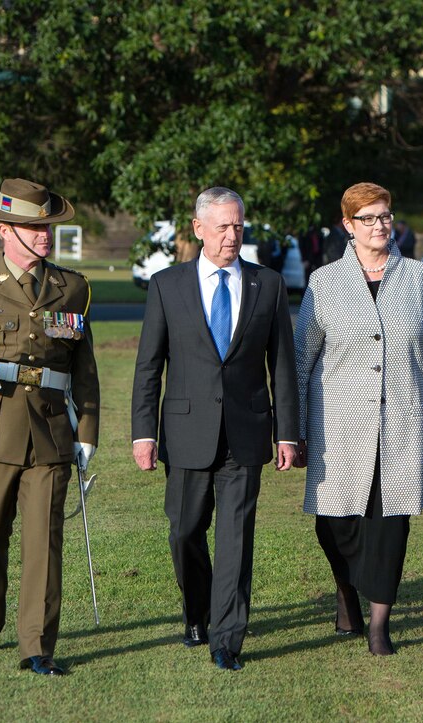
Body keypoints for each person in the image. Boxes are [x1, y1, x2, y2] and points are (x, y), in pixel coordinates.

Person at [294, 182, 423, 656]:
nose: (379, 226)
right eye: (368, 218)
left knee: (391, 524)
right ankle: (347, 588)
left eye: (385, 216)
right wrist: (294, 430)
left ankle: (379, 625)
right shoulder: (324, 282)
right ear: (348, 225)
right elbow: (301, 358)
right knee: (335, 525)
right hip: (338, 425)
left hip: (405, 421)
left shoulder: (418, 278)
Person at [130, 186, 299, 672]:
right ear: (198, 229)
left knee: (236, 539)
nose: (232, 235)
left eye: (239, 226)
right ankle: (196, 611)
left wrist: (286, 432)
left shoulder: (266, 285)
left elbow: (282, 366)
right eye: (222, 226)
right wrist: (144, 432)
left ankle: (227, 637)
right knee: (185, 532)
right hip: (184, 432)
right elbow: (148, 366)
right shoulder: (168, 285)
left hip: (246, 433)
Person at [0, 178, 99, 676]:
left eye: (47, 225)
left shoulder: (71, 288)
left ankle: (37, 647)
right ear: (6, 230)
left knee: (44, 545)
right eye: (33, 226)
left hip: (50, 433)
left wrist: (88, 434)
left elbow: (83, 369)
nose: (44, 234)